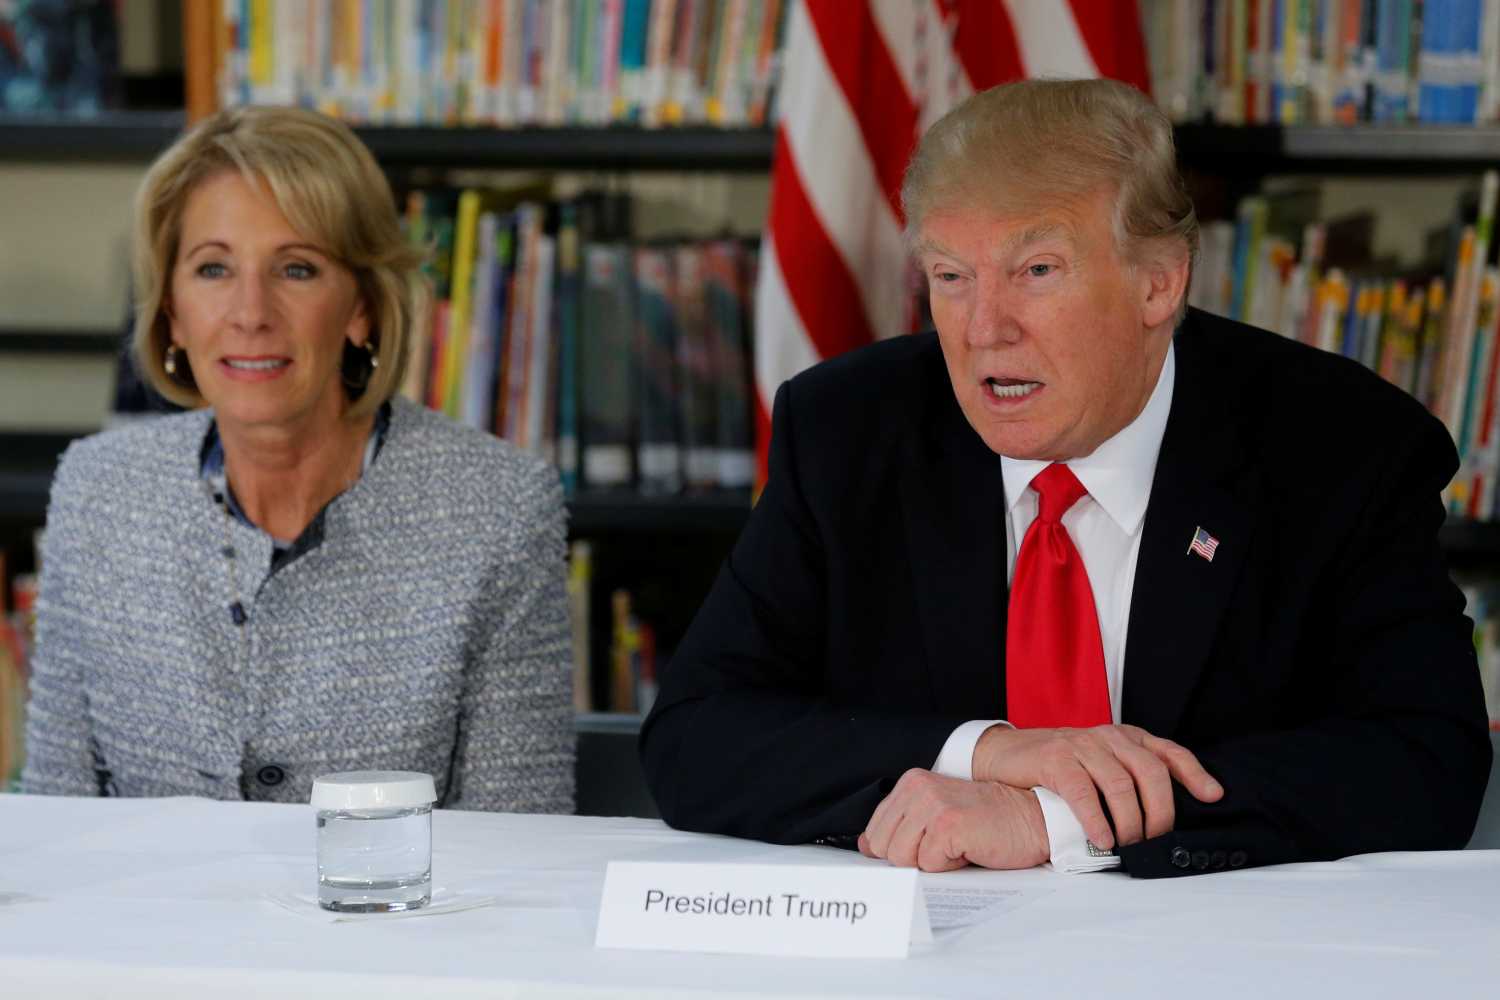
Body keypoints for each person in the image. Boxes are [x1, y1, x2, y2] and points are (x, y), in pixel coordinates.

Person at [640, 79, 1492, 877]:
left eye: (1036, 272)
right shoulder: (849, 431)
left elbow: (1423, 762)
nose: (983, 330)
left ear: (1158, 282)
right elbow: (694, 735)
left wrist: (1058, 821)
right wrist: (989, 751)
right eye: (950, 278)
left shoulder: (1340, 447)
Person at [22, 106, 575, 813]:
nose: (250, 311)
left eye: (296, 268)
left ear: (362, 309)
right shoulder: (97, 492)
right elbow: (56, 820)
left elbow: (519, 841)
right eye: (213, 268)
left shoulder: (500, 508)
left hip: (397, 924)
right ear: (172, 314)